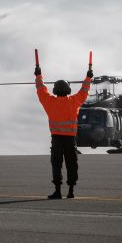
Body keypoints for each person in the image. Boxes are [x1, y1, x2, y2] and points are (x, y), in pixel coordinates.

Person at [35, 65, 93, 199]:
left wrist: (38, 75)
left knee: (56, 164)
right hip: (70, 139)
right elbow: (84, 91)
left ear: (55, 90)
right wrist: (88, 77)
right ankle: (71, 190)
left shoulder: (49, 102)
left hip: (56, 139)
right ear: (68, 90)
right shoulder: (74, 101)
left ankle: (57, 191)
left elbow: (41, 90)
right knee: (71, 164)